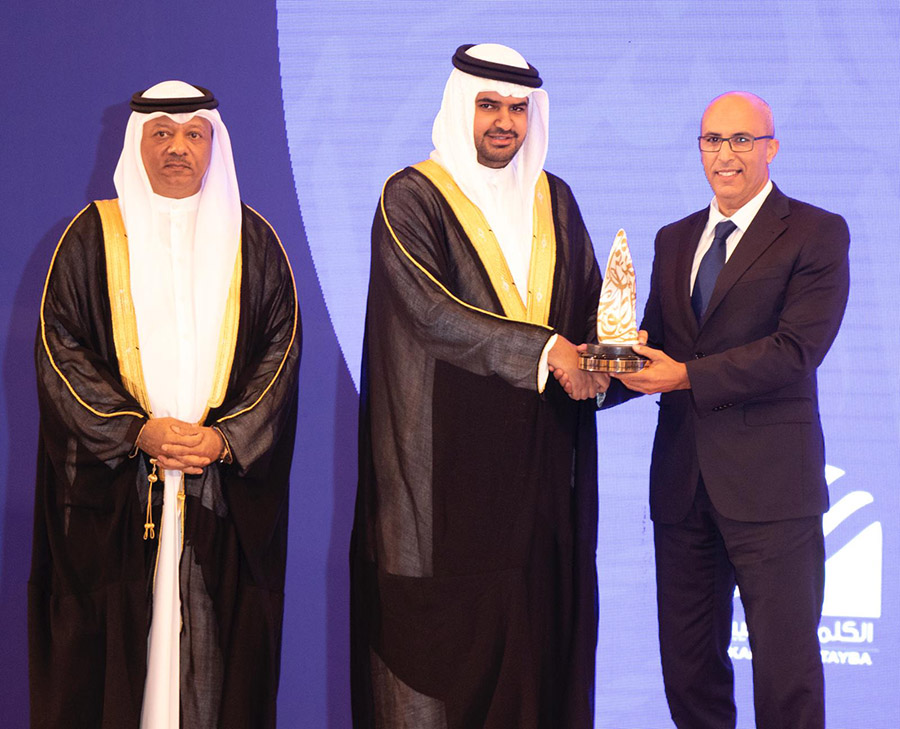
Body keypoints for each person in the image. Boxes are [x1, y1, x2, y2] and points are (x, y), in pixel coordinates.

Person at [351, 43, 615, 729]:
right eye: (490, 105)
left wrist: (611, 355)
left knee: (541, 650)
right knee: (450, 673)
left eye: (518, 109)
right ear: (460, 106)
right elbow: (430, 312)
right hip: (449, 483)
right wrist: (547, 350)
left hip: (544, 478)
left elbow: (587, 310)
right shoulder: (412, 197)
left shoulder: (556, 200)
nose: (505, 122)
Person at [30, 81, 300, 729]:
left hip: (217, 490)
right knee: (109, 662)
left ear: (213, 145)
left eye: (193, 134)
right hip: (117, 494)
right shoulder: (91, 236)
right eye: (162, 134)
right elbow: (59, 347)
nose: (178, 147)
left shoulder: (254, 241)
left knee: (219, 658)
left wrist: (225, 439)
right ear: (138, 143)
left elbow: (281, 349)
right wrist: (135, 431)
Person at [614, 91, 850, 729]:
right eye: (713, 140)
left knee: (785, 673)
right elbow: (657, 348)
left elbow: (796, 350)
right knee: (688, 669)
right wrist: (600, 369)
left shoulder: (816, 231)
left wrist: (686, 375)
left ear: (772, 148)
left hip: (772, 490)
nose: (726, 154)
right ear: (700, 150)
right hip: (682, 487)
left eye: (742, 139)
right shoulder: (674, 238)